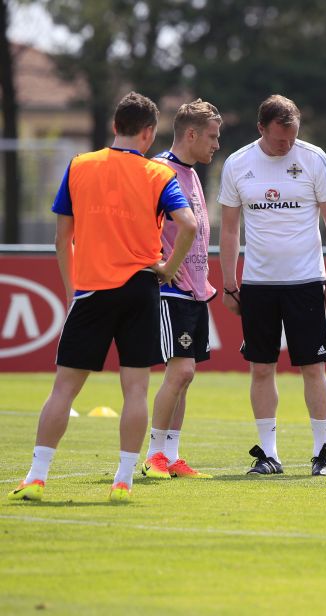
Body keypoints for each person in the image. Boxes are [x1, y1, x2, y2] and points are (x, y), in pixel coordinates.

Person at [7, 92, 196, 503]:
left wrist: (71, 290)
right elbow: (190, 225)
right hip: (141, 289)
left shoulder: (79, 166)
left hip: (92, 290)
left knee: (63, 391)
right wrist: (168, 267)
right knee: (135, 391)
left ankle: (37, 477)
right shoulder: (157, 175)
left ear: (114, 126)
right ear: (148, 133)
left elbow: (62, 240)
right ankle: (123, 481)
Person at [219, 94, 326, 477]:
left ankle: (321, 453)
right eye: (278, 139)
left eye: (291, 138)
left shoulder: (313, 158)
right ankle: (268, 454)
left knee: (313, 368)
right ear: (261, 129)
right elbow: (228, 227)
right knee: (261, 369)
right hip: (258, 284)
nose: (286, 146)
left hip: (307, 281)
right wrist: (228, 284)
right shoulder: (238, 164)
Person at [140, 99, 222, 481]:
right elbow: (138, 224)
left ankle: (172, 455)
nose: (216, 144)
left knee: (186, 375)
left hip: (194, 289)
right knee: (181, 370)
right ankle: (154, 453)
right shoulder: (158, 170)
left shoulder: (190, 173)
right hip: (170, 289)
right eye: (211, 136)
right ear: (191, 134)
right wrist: (160, 265)